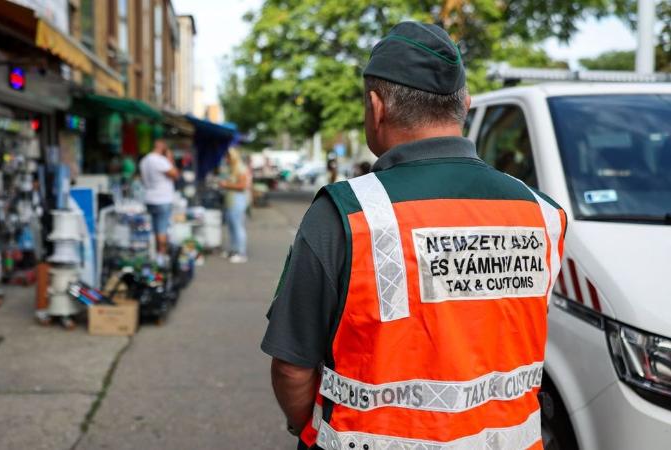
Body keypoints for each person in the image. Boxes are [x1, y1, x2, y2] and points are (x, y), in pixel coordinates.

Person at [262, 22, 567, 450]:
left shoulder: (346, 214)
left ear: (376, 105)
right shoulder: (543, 214)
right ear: (464, 104)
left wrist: (302, 427)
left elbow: (292, 367)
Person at [140, 139, 179, 258]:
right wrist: (170, 159)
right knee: (162, 229)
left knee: (153, 229)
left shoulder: (144, 160)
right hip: (162, 198)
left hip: (149, 198)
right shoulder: (160, 160)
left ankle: (153, 255)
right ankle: (161, 257)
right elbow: (175, 174)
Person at [219, 148, 251, 263]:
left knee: (238, 227)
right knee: (232, 227)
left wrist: (226, 184)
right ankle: (234, 250)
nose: (226, 159)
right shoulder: (232, 169)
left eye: (228, 157)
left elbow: (243, 186)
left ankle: (241, 253)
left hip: (237, 202)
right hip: (230, 202)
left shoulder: (241, 169)